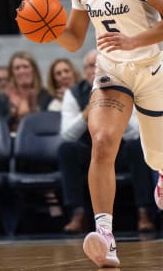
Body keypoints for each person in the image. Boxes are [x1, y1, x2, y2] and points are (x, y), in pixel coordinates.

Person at [53, 0, 163, 268]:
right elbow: (74, 39)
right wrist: (48, 28)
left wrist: (132, 41)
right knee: (102, 142)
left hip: (153, 70)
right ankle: (106, 237)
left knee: (153, 156)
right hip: (112, 73)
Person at [58, 50, 155, 233]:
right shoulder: (74, 93)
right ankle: (77, 214)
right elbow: (67, 135)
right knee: (66, 149)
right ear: (85, 71)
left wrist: (115, 107)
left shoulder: (128, 89)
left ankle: (144, 212)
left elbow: (136, 133)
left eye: (101, 65)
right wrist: (88, 113)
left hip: (120, 151)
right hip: (92, 152)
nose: (95, 70)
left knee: (137, 147)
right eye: (91, 66)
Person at [5, 51, 51, 132]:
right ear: (12, 73)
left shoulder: (47, 95)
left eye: (25, 67)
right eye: (17, 68)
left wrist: (34, 108)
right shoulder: (3, 97)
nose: (22, 71)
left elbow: (49, 124)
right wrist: (14, 113)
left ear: (34, 70)